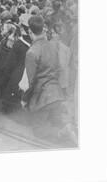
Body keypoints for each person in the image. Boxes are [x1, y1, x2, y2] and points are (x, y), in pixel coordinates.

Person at [20, 15, 77, 144]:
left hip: (42, 97)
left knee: (39, 130)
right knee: (55, 118)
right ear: (43, 29)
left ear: (29, 31)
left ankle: (62, 132)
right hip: (57, 93)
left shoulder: (31, 52)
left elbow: (31, 81)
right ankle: (66, 127)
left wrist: (24, 99)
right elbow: (60, 69)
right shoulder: (53, 46)